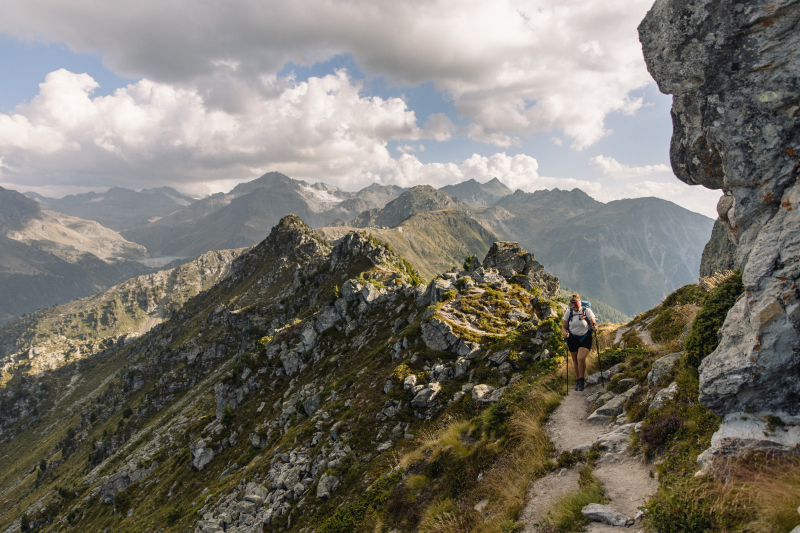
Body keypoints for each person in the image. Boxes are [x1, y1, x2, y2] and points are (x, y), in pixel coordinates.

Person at [561, 294, 596, 391]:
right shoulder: (569, 312)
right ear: (572, 306)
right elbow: (564, 326)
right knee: (575, 361)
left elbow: (593, 323)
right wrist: (565, 333)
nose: (576, 309)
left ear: (580, 305)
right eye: (574, 307)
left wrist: (594, 327)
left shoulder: (587, 311)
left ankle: (581, 379)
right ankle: (577, 380)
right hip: (572, 338)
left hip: (585, 338)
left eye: (578, 307)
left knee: (580, 358)